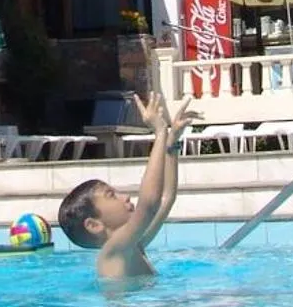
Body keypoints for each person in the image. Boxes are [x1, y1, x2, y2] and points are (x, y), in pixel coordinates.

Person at [55, 93, 194, 280]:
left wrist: (172, 142)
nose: (125, 196)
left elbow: (165, 198)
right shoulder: (113, 253)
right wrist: (160, 132)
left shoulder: (131, 246)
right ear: (94, 225)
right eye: (111, 195)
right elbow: (149, 205)